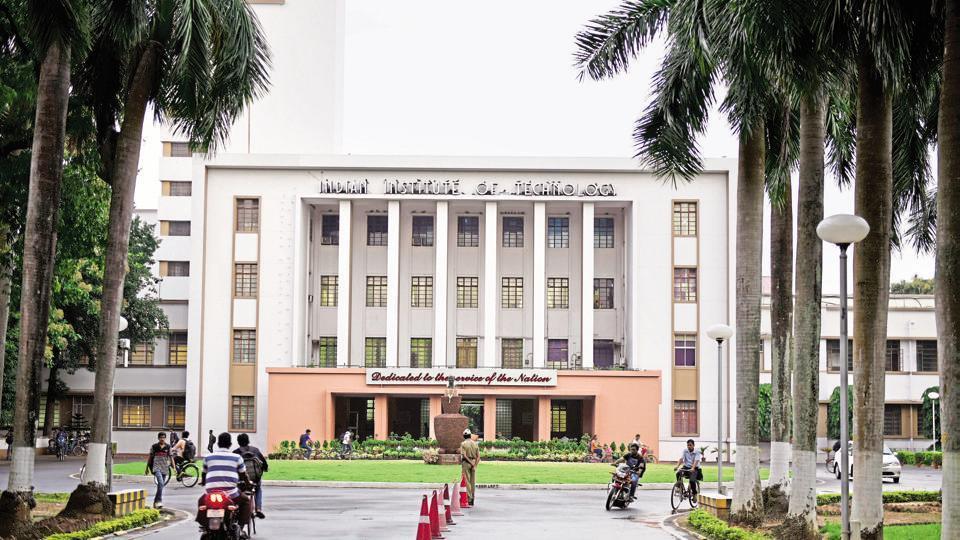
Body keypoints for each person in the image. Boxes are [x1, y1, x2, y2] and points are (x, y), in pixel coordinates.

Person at [199, 432, 252, 528]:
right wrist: (248, 484)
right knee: (246, 501)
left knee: (201, 501)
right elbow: (243, 474)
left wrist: (203, 482)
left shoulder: (208, 457)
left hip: (210, 493)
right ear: (230, 444)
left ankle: (204, 525)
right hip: (231, 493)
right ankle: (241, 526)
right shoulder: (237, 457)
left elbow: (204, 473)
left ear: (218, 443)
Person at [234, 433, 268, 519]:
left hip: (241, 479)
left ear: (238, 442)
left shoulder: (235, 453)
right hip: (255, 479)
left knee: (239, 491)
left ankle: (239, 508)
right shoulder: (255, 450)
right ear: (248, 441)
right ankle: (258, 509)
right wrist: (265, 469)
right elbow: (264, 463)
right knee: (258, 489)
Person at [147, 432, 173, 508]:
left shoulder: (168, 447)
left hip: (164, 468)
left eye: (163, 437)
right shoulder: (154, 446)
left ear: (165, 438)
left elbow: (171, 458)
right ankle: (159, 501)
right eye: (161, 437)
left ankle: (156, 502)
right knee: (161, 483)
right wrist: (147, 468)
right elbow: (150, 457)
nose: (162, 439)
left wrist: (174, 467)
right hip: (156, 467)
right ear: (158, 438)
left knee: (161, 486)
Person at [460, 429, 480, 506]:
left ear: (464, 436)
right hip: (474, 462)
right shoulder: (475, 444)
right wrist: (474, 465)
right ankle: (473, 499)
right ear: (470, 435)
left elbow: (464, 455)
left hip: (466, 463)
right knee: (472, 482)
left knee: (466, 481)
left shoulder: (463, 444)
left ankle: (469, 498)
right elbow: (478, 457)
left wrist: (470, 462)